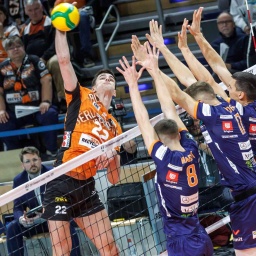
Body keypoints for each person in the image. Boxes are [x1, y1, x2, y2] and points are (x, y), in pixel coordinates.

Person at [144, 15, 256, 253]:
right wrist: (185, 46)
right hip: (248, 191)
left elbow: (178, 92)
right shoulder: (231, 105)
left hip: (248, 198)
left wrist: (154, 65)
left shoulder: (213, 115)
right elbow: (200, 77)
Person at [117, 45, 213, 255]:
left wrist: (133, 84)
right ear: (178, 134)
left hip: (180, 240)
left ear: (159, 140)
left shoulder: (163, 156)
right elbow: (168, 108)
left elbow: (142, 120)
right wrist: (154, 69)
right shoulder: (191, 147)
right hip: (200, 235)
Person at [41, 25, 122, 255]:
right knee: (62, 249)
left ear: (114, 92)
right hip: (61, 181)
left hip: (87, 187)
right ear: (93, 87)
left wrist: (113, 156)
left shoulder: (115, 127)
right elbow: (64, 61)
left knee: (110, 248)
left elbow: (114, 179)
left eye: (111, 78)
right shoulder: (80, 95)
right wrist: (60, 28)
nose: (107, 78)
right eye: (102, 77)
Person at [175, 8, 256, 157]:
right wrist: (198, 36)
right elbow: (219, 68)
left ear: (240, 94)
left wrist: (187, 47)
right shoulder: (247, 104)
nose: (227, 88)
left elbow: (209, 79)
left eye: (230, 87)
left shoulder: (238, 110)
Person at [6, 146, 81, 256]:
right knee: (12, 228)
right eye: (28, 161)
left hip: (55, 217)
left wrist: (47, 213)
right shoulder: (19, 180)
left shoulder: (52, 173)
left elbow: (63, 200)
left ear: (40, 160)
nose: (32, 164)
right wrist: (21, 219)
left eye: (35, 160)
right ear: (23, 165)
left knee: (67, 225)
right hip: (34, 222)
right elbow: (17, 207)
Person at [0, 35, 59, 157]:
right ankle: (16, 156)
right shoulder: (1, 67)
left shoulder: (34, 60)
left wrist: (46, 101)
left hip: (37, 108)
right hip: (14, 111)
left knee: (50, 114)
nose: (16, 49)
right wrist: (1, 110)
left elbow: (46, 81)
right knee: (2, 122)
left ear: (24, 47)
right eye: (11, 48)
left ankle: (52, 151)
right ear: (6, 52)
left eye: (18, 46)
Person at [21, 0, 66, 113]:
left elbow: (56, 44)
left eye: (36, 9)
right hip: (33, 61)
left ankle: (63, 99)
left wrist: (43, 58)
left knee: (55, 62)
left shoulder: (52, 22)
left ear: (41, 8)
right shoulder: (25, 30)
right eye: (30, 10)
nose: (34, 13)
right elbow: (23, 50)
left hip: (49, 57)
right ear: (26, 12)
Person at [49, 0, 95, 67]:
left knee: (82, 16)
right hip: (64, 15)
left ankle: (86, 55)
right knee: (55, 22)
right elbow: (53, 11)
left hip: (83, 11)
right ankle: (68, 58)